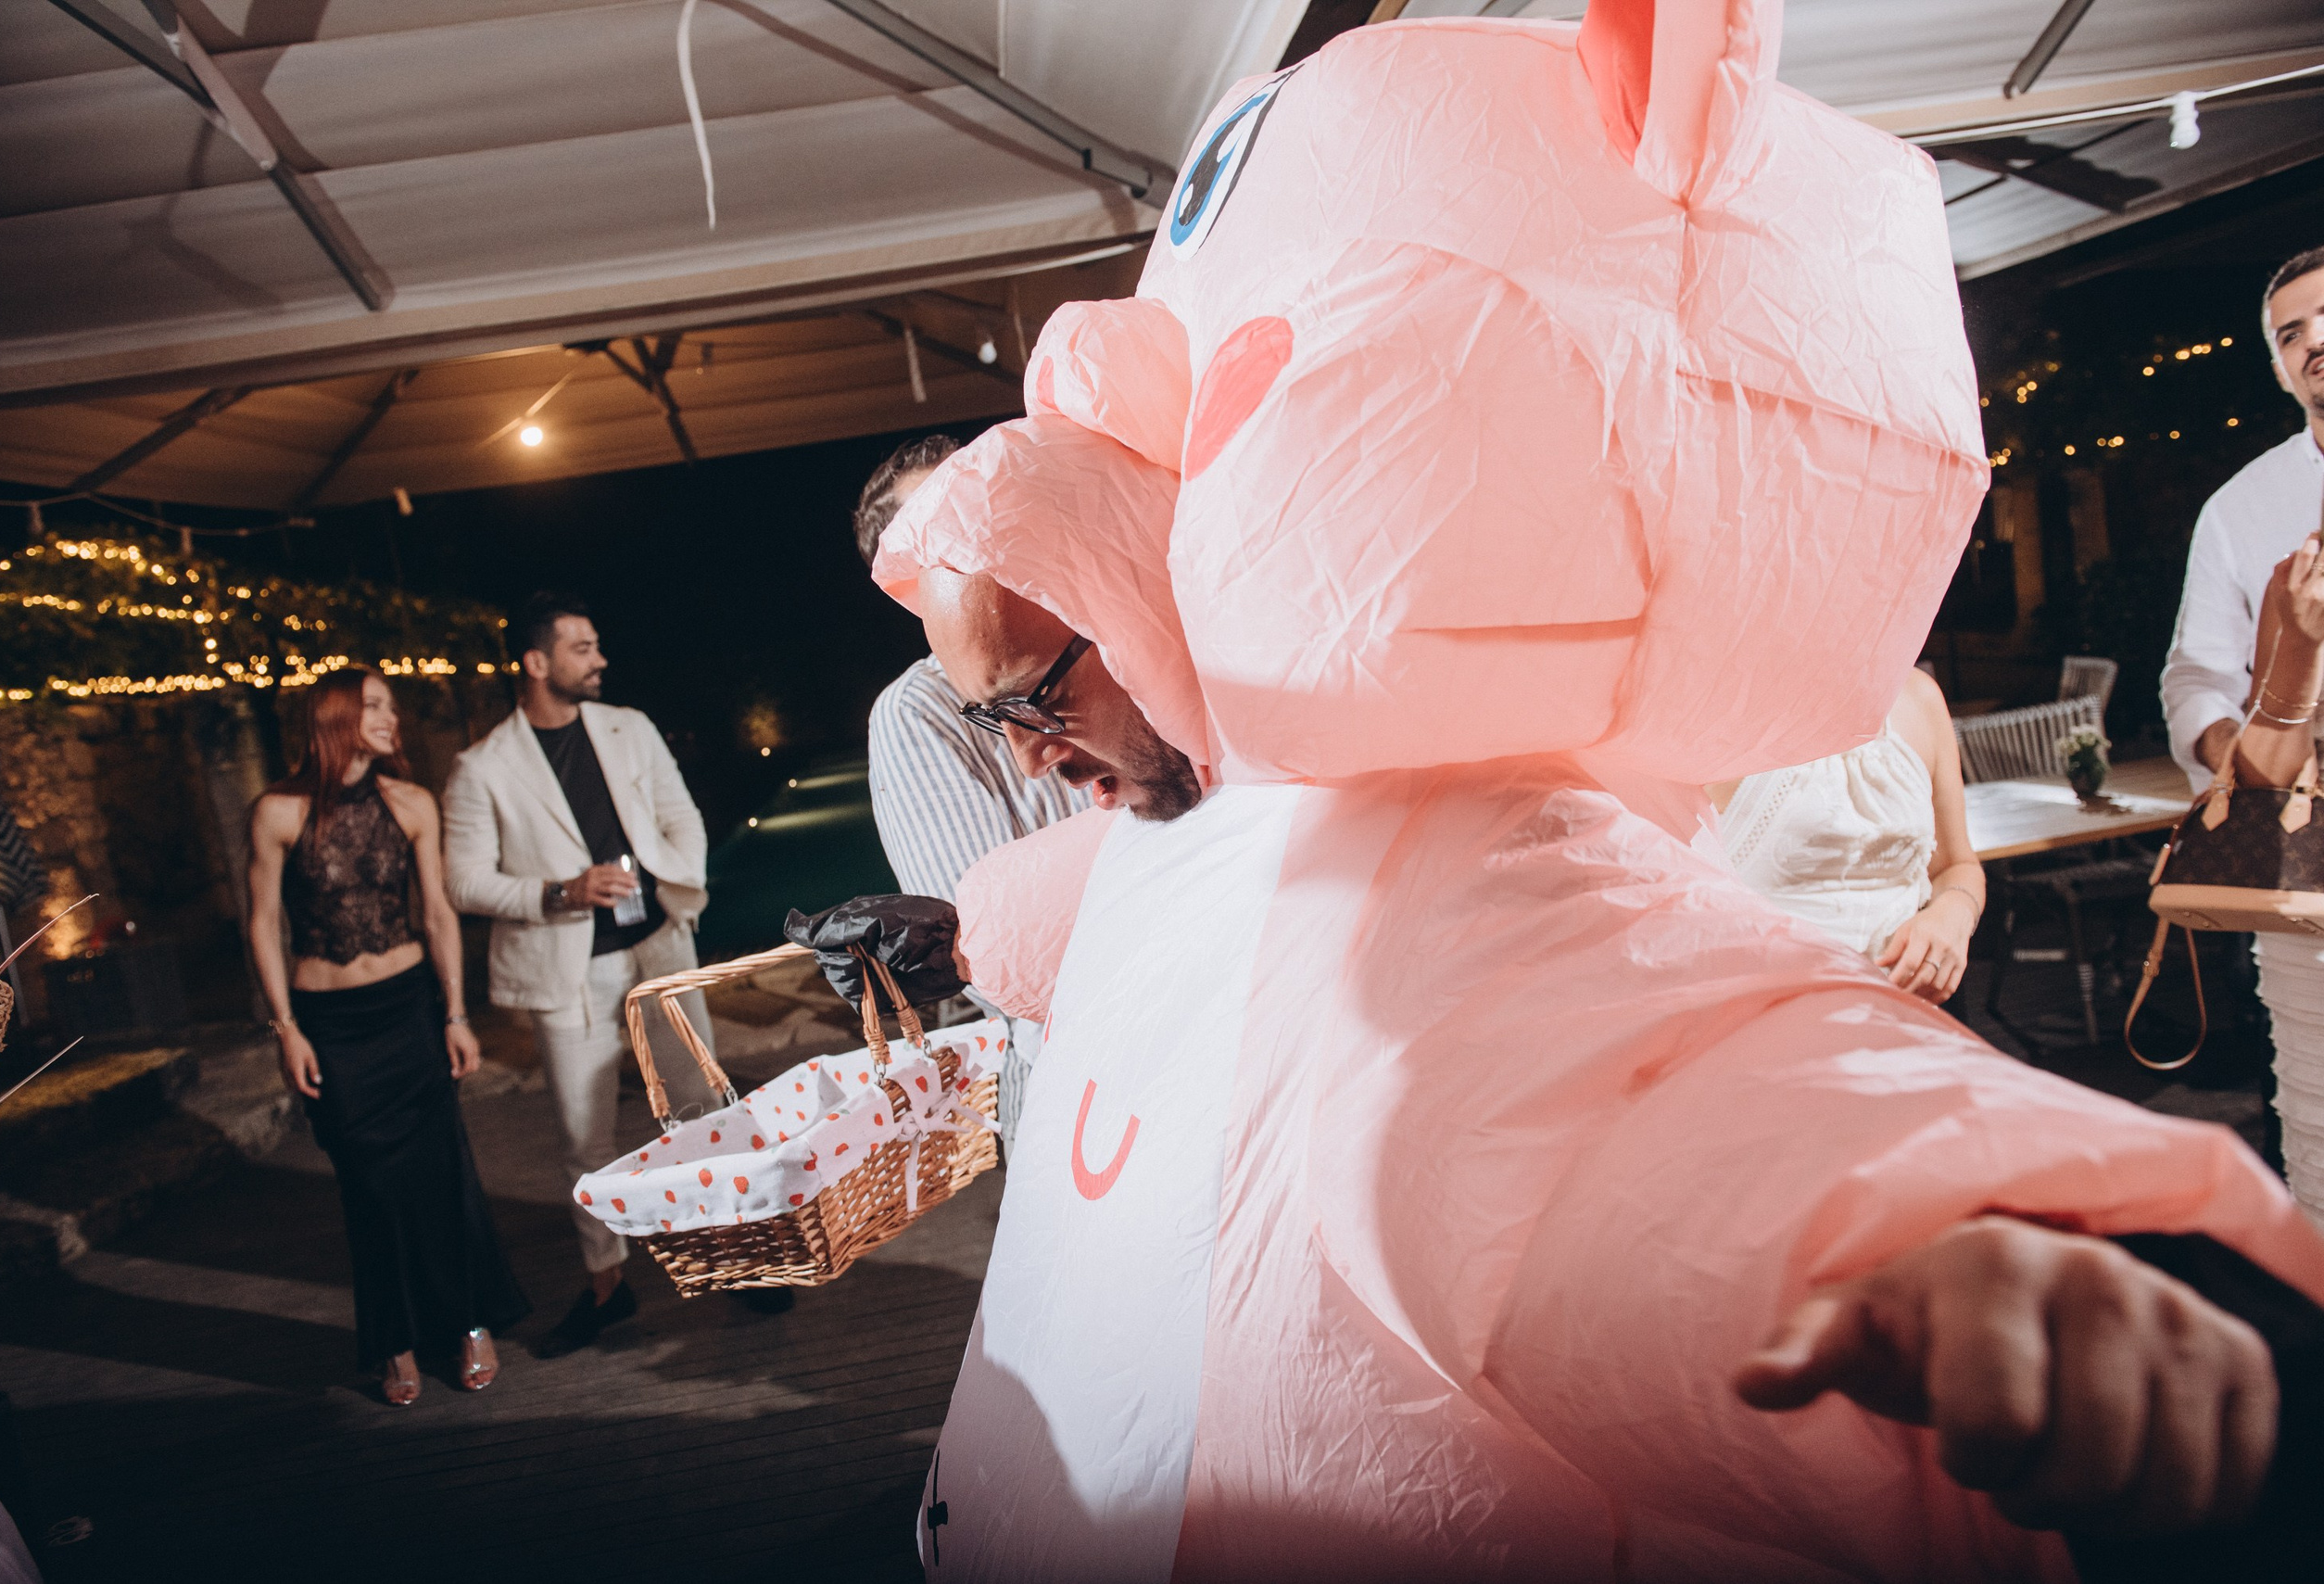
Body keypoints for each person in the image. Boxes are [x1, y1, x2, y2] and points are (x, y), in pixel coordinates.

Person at [833, 0, 2324, 1565]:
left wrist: (1939, 1248)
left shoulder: (1456, 858)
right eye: (991, 717)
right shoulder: (1175, 821)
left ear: (1148, 594)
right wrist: (960, 931)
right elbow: (1098, 913)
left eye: (1039, 695)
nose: (1030, 753)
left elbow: (1642, 1113)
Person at [442, 593, 739, 1356]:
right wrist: (560, 892)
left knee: (704, 1104)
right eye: (581, 647)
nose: (599, 659)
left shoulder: (629, 728)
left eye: (597, 644)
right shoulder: (482, 767)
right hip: (569, 969)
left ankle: (737, 1257)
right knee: (585, 1134)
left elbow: (685, 818)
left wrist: (677, 885)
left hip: (660, 950)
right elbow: (464, 881)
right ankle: (608, 1282)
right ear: (536, 663)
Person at [247, 667, 527, 1405]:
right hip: (332, 1027)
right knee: (368, 1189)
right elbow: (262, 925)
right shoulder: (277, 811)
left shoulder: (411, 802)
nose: (390, 717)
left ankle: (469, 1322)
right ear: (335, 714)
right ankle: (394, 1341)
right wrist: (286, 1030)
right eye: (374, 705)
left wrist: (456, 1013)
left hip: (408, 1010)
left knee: (444, 1174)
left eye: (390, 706)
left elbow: (437, 913)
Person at [855, 436, 1088, 1147]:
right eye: (939, 524)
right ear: (901, 581)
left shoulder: (1097, 637)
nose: (976, 529)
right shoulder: (916, 713)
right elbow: (993, 950)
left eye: (975, 499)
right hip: (1070, 1068)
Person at [2161, 246, 2324, 1228]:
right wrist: (2239, 754)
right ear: (2273, 365)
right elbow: (2192, 676)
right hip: (2308, 880)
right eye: (2290, 334)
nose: (2314, 344)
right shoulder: (2241, 507)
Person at [1711, 665, 1986, 1005]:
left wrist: (1954, 911)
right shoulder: (1717, 704)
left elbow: (1957, 864)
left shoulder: (1917, 695)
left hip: (1909, 1010)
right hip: (1768, 1011)